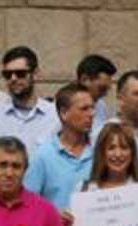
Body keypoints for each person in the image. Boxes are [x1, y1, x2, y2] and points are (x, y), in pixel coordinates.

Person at [23, 83, 95, 213]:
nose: (92, 113)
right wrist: (54, 218)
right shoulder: (42, 156)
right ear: (64, 113)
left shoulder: (101, 150)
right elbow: (28, 206)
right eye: (84, 109)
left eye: (92, 108)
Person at [0, 46, 60, 153]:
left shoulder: (55, 115)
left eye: (20, 74)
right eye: (7, 75)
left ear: (35, 74)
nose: (13, 79)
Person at [75, 54, 116, 132]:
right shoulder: (61, 107)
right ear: (84, 80)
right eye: (101, 89)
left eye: (107, 89)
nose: (105, 94)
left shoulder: (101, 106)